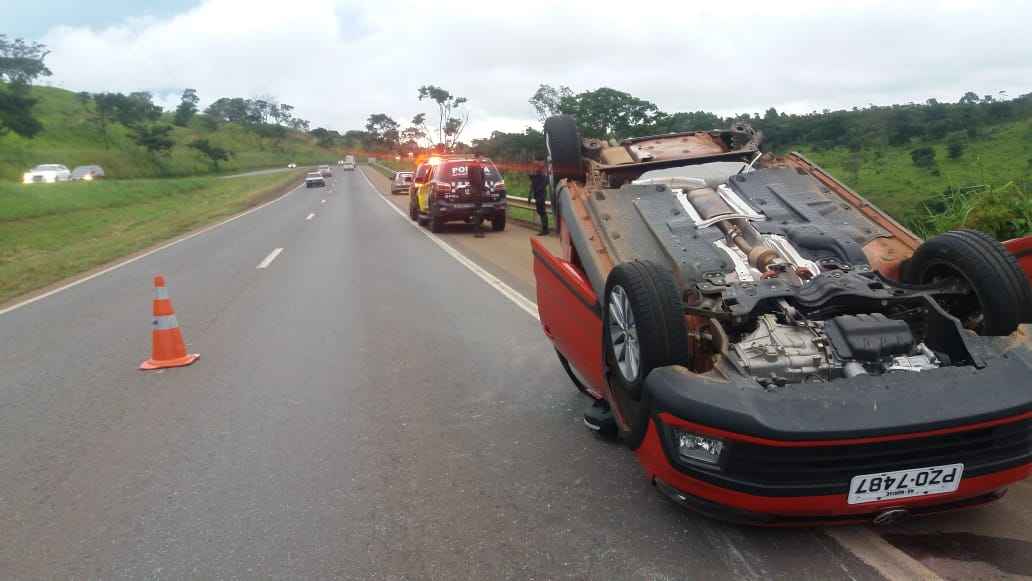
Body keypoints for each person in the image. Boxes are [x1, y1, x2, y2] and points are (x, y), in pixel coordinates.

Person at [528, 160, 550, 236]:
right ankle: (544, 229)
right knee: (540, 211)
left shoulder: (542, 175)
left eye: (535, 167)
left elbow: (546, 182)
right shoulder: (535, 175)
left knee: (542, 211)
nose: (534, 168)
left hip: (541, 195)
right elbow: (532, 185)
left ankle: (545, 229)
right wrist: (530, 195)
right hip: (538, 195)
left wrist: (539, 189)